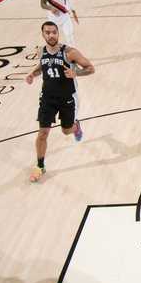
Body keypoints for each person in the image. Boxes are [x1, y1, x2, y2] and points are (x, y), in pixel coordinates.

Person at [24, 22, 94, 183]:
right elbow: (43, 66)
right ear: (43, 34)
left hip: (67, 98)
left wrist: (76, 72)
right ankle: (40, 165)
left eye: (54, 32)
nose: (51, 35)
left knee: (66, 131)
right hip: (47, 98)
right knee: (43, 133)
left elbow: (91, 68)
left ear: (58, 33)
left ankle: (76, 126)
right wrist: (32, 75)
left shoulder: (69, 53)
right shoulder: (41, 51)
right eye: (47, 32)